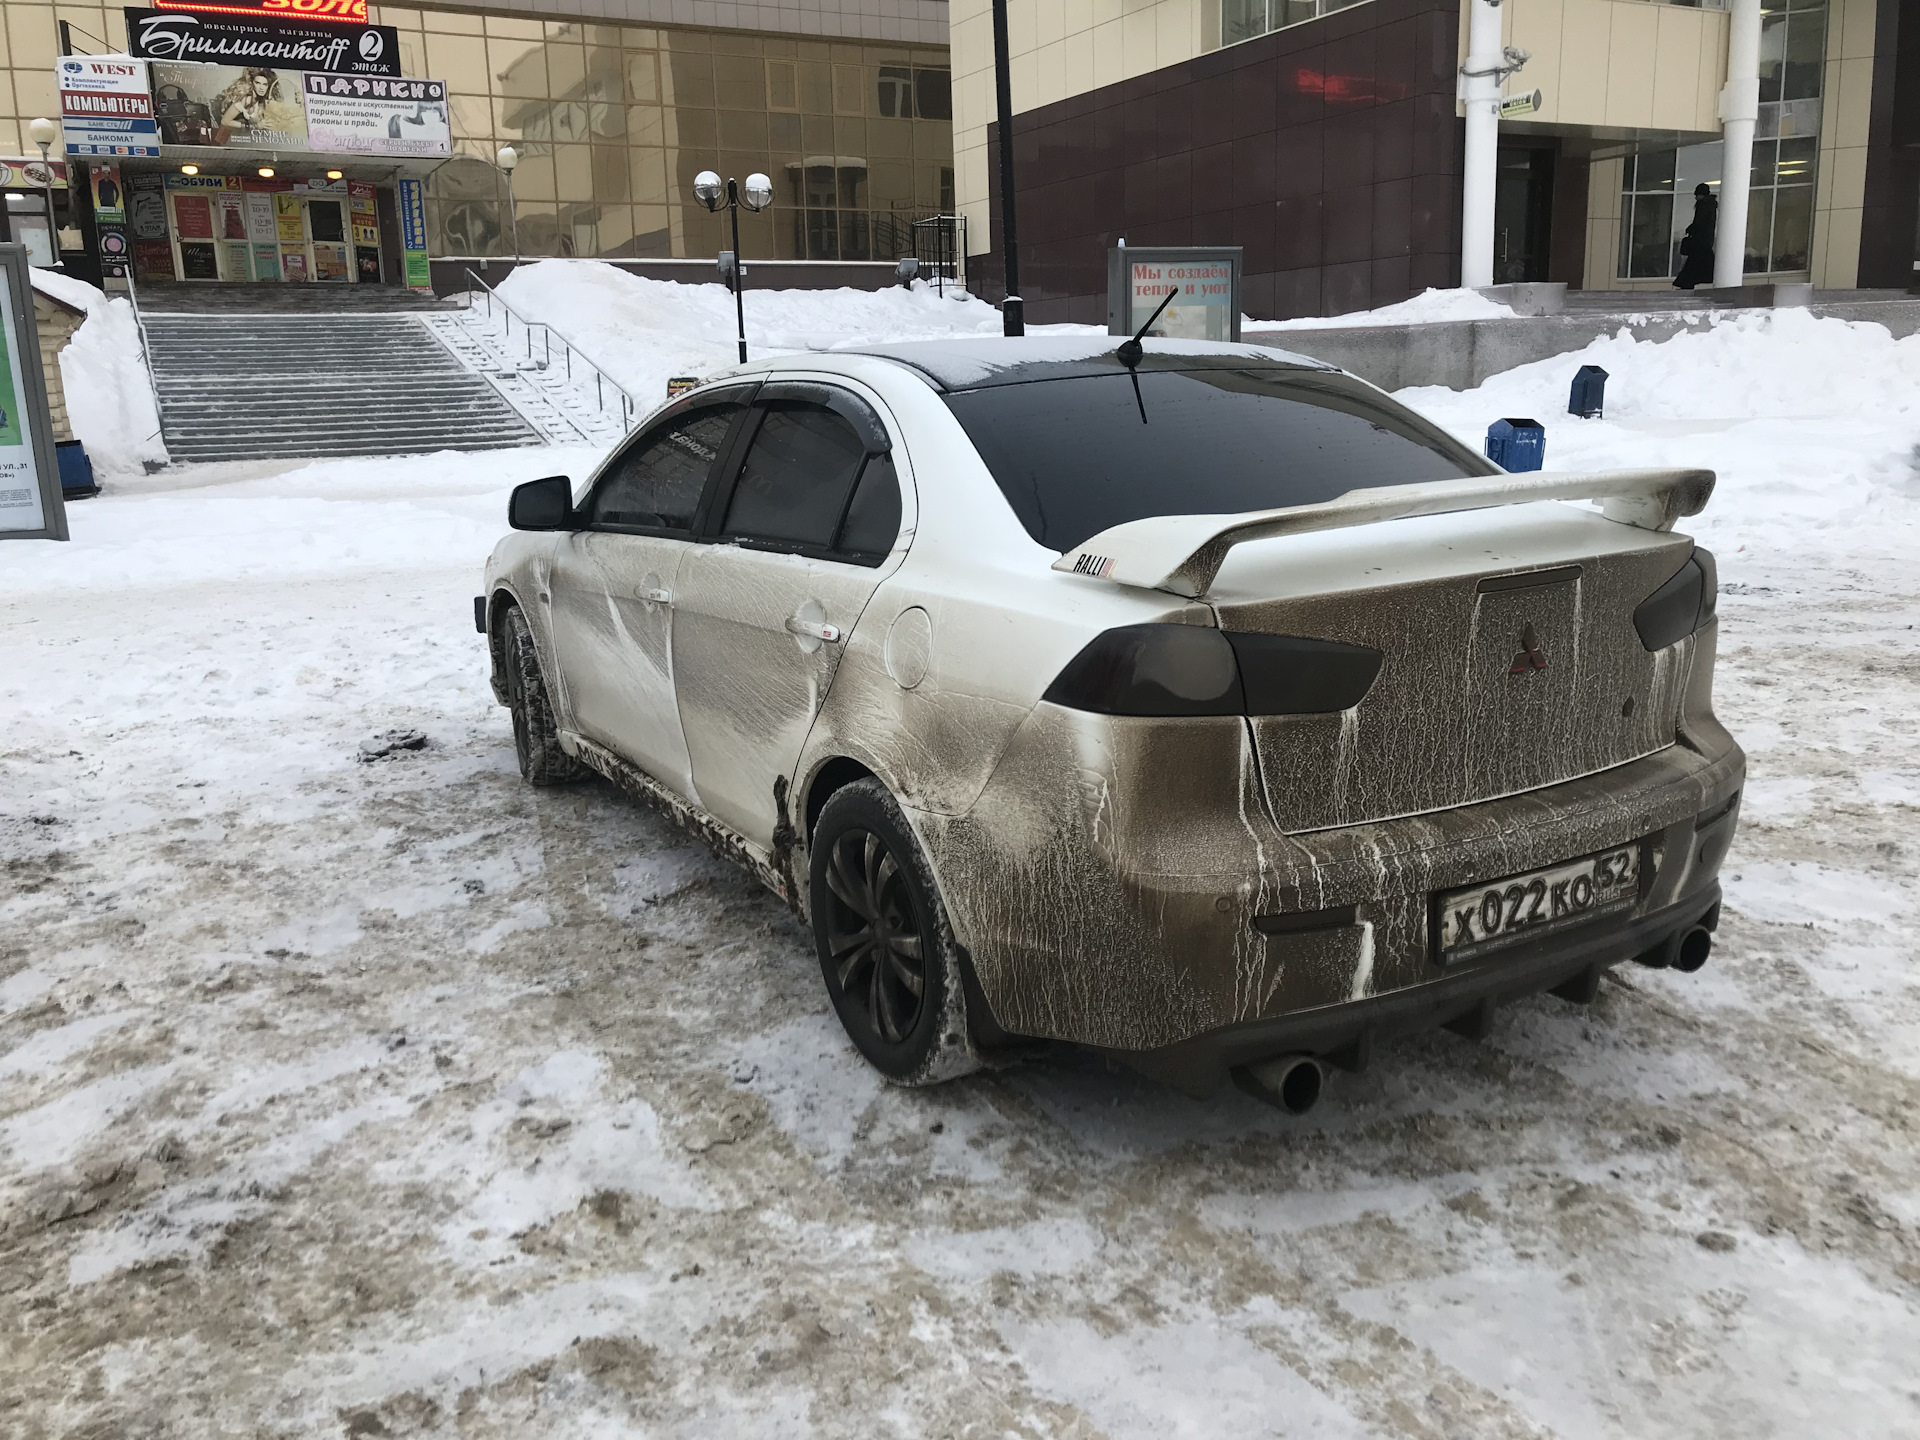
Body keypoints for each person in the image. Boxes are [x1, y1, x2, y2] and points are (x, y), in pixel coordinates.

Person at [1674, 182, 1717, 290]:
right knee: (1699, 264)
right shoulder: (1710, 205)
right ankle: (1688, 283)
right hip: (1705, 242)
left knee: (1693, 265)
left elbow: (1699, 222)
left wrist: (1691, 229)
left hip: (1700, 242)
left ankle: (1686, 283)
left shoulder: (1703, 205)